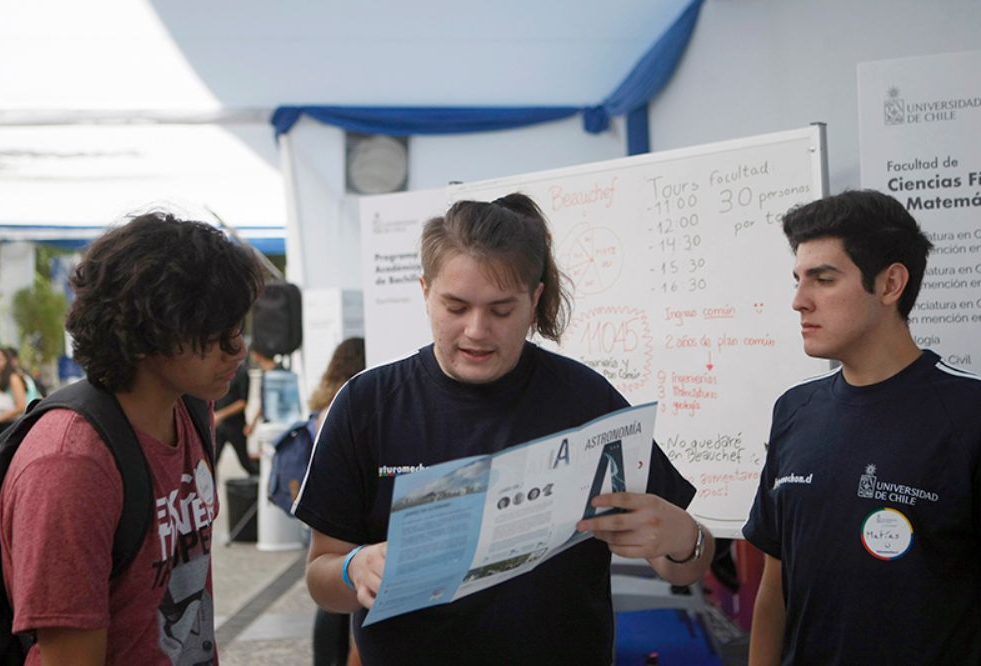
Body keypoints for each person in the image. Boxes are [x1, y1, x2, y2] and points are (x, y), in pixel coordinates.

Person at [293, 193, 713, 665]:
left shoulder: (585, 399)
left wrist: (685, 538)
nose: (476, 330)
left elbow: (685, 562)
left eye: (500, 310)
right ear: (425, 291)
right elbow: (320, 577)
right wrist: (355, 569)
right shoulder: (367, 404)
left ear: (533, 301)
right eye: (455, 307)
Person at [0, 212, 263, 664]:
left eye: (236, 326)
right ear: (144, 334)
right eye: (214, 332)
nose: (237, 347)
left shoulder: (192, 408)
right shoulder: (71, 466)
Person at [743, 190, 981, 664]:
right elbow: (776, 586)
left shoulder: (969, 414)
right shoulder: (795, 409)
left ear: (890, 284)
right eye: (798, 280)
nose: (798, 301)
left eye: (823, 279)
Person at [306, 337, 366, 666]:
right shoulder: (349, 406)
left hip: (319, 505)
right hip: (334, 507)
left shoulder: (328, 402)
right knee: (336, 591)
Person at [214, 362, 258, 475]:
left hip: (235, 425)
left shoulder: (242, 372)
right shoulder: (216, 370)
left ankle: (260, 482)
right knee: (211, 463)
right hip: (218, 426)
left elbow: (243, 402)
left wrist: (220, 415)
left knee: (245, 462)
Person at [0, 347, 28, 435]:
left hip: (13, 425)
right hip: (0, 426)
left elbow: (21, 406)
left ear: (7, 360)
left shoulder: (13, 378)